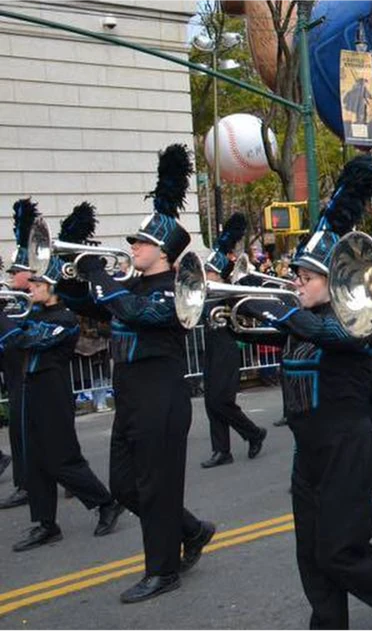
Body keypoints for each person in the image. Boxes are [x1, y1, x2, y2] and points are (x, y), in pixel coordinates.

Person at [236, 156, 372, 630]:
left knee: (340, 552)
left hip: (347, 450)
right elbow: (266, 334)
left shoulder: (352, 324)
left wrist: (278, 310)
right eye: (296, 275)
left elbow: (337, 339)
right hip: (308, 454)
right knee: (310, 555)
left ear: (334, 282)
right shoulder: (304, 325)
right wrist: (229, 308)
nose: (296, 282)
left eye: (305, 277)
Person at [57, 145, 215, 603]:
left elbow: (134, 312)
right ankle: (190, 529)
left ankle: (163, 571)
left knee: (156, 485)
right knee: (126, 486)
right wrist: (68, 273)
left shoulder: (175, 290)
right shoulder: (132, 283)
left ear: (162, 252)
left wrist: (99, 276)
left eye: (140, 243)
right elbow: (89, 303)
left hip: (160, 396)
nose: (132, 247)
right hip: (130, 396)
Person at [2, 201, 123, 551]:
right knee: (36, 462)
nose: (30, 287)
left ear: (52, 286)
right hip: (29, 388)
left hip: (53, 392)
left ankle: (105, 502)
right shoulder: (33, 311)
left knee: (61, 459)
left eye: (36, 282)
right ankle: (44, 523)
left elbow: (22, 340)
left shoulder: (64, 321)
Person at [199, 213, 268, 469]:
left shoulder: (229, 292)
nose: (205, 275)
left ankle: (253, 432)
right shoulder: (204, 293)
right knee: (210, 402)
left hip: (226, 348)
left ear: (219, 275)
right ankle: (221, 450)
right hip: (211, 347)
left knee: (221, 401)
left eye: (209, 272)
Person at [0, 198, 37, 511]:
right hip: (14, 375)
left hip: (30, 377)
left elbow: (18, 337)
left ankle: (26, 485)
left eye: (17, 271)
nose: (12, 276)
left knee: (26, 433)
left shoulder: (32, 303)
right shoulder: (15, 300)